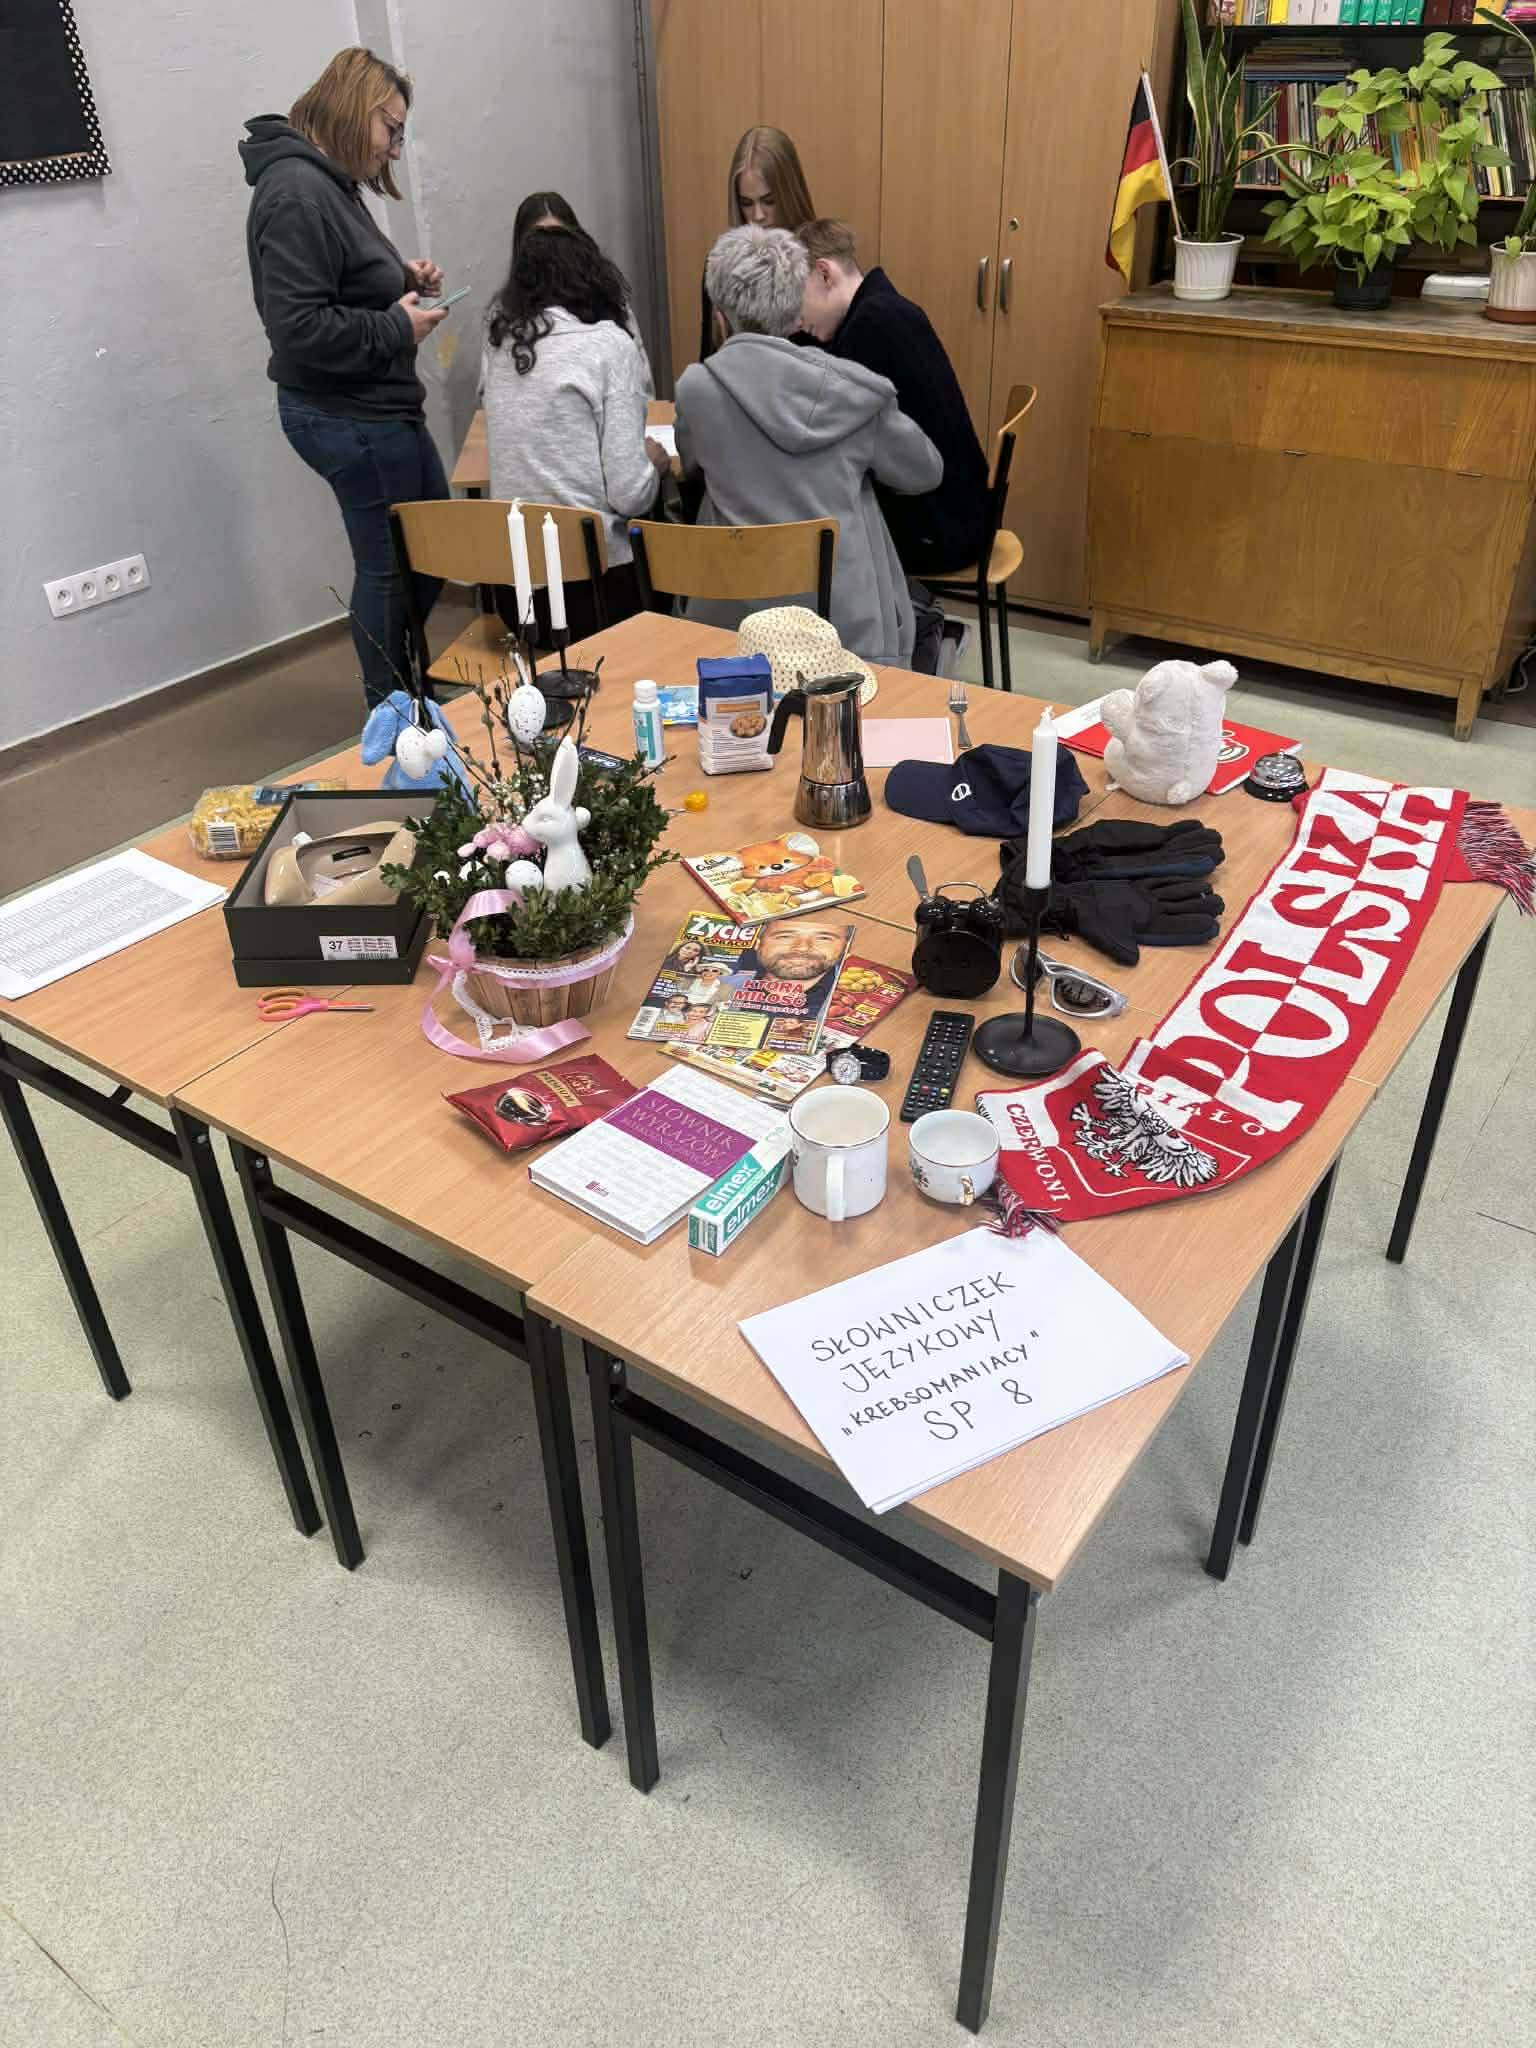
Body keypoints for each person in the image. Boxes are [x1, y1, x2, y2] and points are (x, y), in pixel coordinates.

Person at [241, 48, 451, 708]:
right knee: (387, 568)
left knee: (430, 548)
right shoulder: (296, 193)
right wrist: (395, 327)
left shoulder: (328, 184)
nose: (395, 149)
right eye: (392, 128)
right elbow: (298, 328)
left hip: (378, 407)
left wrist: (400, 281)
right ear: (357, 110)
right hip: (348, 414)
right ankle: (394, 715)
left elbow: (339, 285)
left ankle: (408, 692)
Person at [674, 227, 941, 668]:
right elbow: (925, 472)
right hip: (845, 629)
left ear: (719, 318)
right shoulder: (853, 392)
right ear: (796, 312)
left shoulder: (695, 390)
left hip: (728, 627)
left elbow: (689, 465)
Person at [798, 218, 990, 671]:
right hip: (962, 510)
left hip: (941, 526)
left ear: (824, 274)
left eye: (795, 297)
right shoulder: (883, 308)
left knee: (815, 533)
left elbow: (842, 442)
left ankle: (916, 632)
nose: (796, 317)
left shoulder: (870, 328)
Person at [482, 224, 668, 638]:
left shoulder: (501, 347)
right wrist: (652, 465)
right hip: (592, 590)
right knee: (668, 568)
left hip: (515, 590)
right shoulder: (608, 345)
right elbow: (629, 494)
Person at [512, 190, 653, 395]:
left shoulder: (611, 305)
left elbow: (644, 385)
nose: (550, 255)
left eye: (559, 242)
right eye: (539, 243)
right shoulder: (504, 321)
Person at [700, 127, 816, 360]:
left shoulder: (818, 264)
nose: (758, 215)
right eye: (746, 203)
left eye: (769, 201)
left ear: (789, 194)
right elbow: (708, 355)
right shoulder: (722, 266)